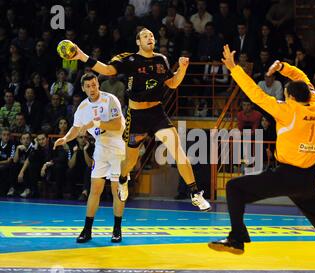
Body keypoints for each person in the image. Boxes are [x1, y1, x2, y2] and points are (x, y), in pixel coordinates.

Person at [208, 45, 315, 273]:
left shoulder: (288, 111)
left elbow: (255, 94)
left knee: (233, 188)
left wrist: (234, 68)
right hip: (308, 177)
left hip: (287, 176)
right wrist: (284, 68)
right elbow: (303, 78)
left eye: (285, 94)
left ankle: (237, 238)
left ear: (291, 98)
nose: (283, 96)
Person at [68, 28, 211, 211]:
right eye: (145, 36)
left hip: (157, 113)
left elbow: (173, 83)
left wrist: (182, 69)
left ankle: (195, 193)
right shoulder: (129, 59)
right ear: (138, 42)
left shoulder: (161, 60)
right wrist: (82, 56)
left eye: (151, 35)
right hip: (136, 116)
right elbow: (107, 70)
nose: (150, 38)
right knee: (129, 162)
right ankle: (122, 180)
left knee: (178, 151)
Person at [54, 73, 126, 243]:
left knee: (117, 190)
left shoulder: (110, 100)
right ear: (83, 88)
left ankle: (117, 230)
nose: (92, 89)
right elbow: (76, 127)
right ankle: (87, 230)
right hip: (101, 149)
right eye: (88, 86)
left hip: (118, 148)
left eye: (94, 85)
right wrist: (65, 138)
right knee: (95, 189)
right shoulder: (82, 107)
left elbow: (118, 124)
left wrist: (95, 123)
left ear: (98, 85)